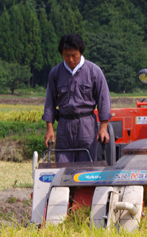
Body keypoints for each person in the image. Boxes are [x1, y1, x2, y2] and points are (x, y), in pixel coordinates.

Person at [42, 33, 111, 163]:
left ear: (80, 52)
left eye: (74, 55)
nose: (71, 59)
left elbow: (104, 100)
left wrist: (103, 127)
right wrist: (49, 129)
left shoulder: (94, 71)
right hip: (64, 125)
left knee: (86, 167)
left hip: (86, 125)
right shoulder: (55, 73)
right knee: (62, 165)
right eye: (67, 55)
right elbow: (49, 103)